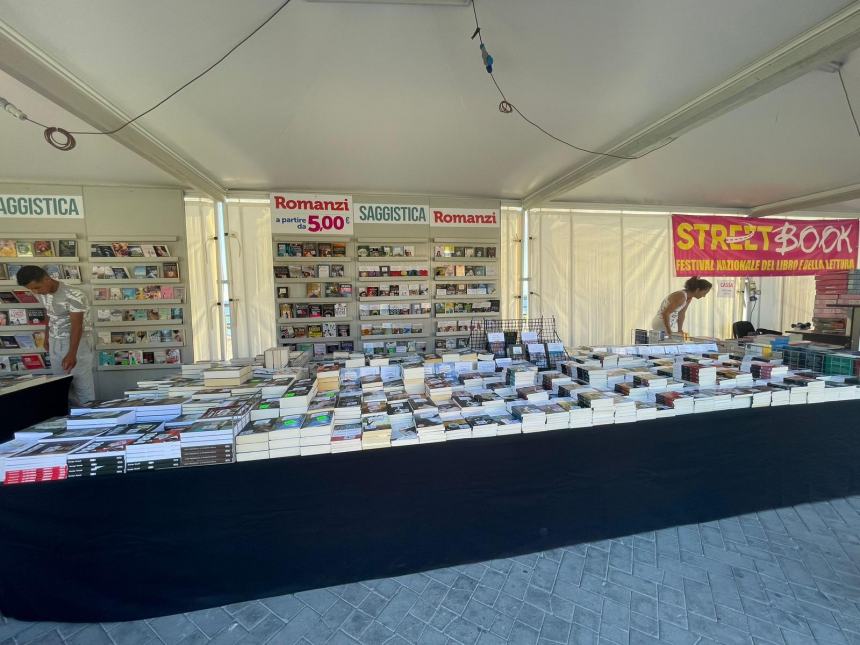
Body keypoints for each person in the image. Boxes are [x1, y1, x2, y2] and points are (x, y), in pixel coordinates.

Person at [16, 265, 95, 404]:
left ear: (47, 279)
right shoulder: (43, 293)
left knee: (83, 386)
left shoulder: (74, 293)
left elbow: (77, 326)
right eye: (31, 289)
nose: (36, 292)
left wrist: (72, 353)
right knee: (61, 385)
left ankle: (90, 419)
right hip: (54, 341)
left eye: (37, 287)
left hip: (76, 343)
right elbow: (49, 313)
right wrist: (46, 336)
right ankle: (67, 421)